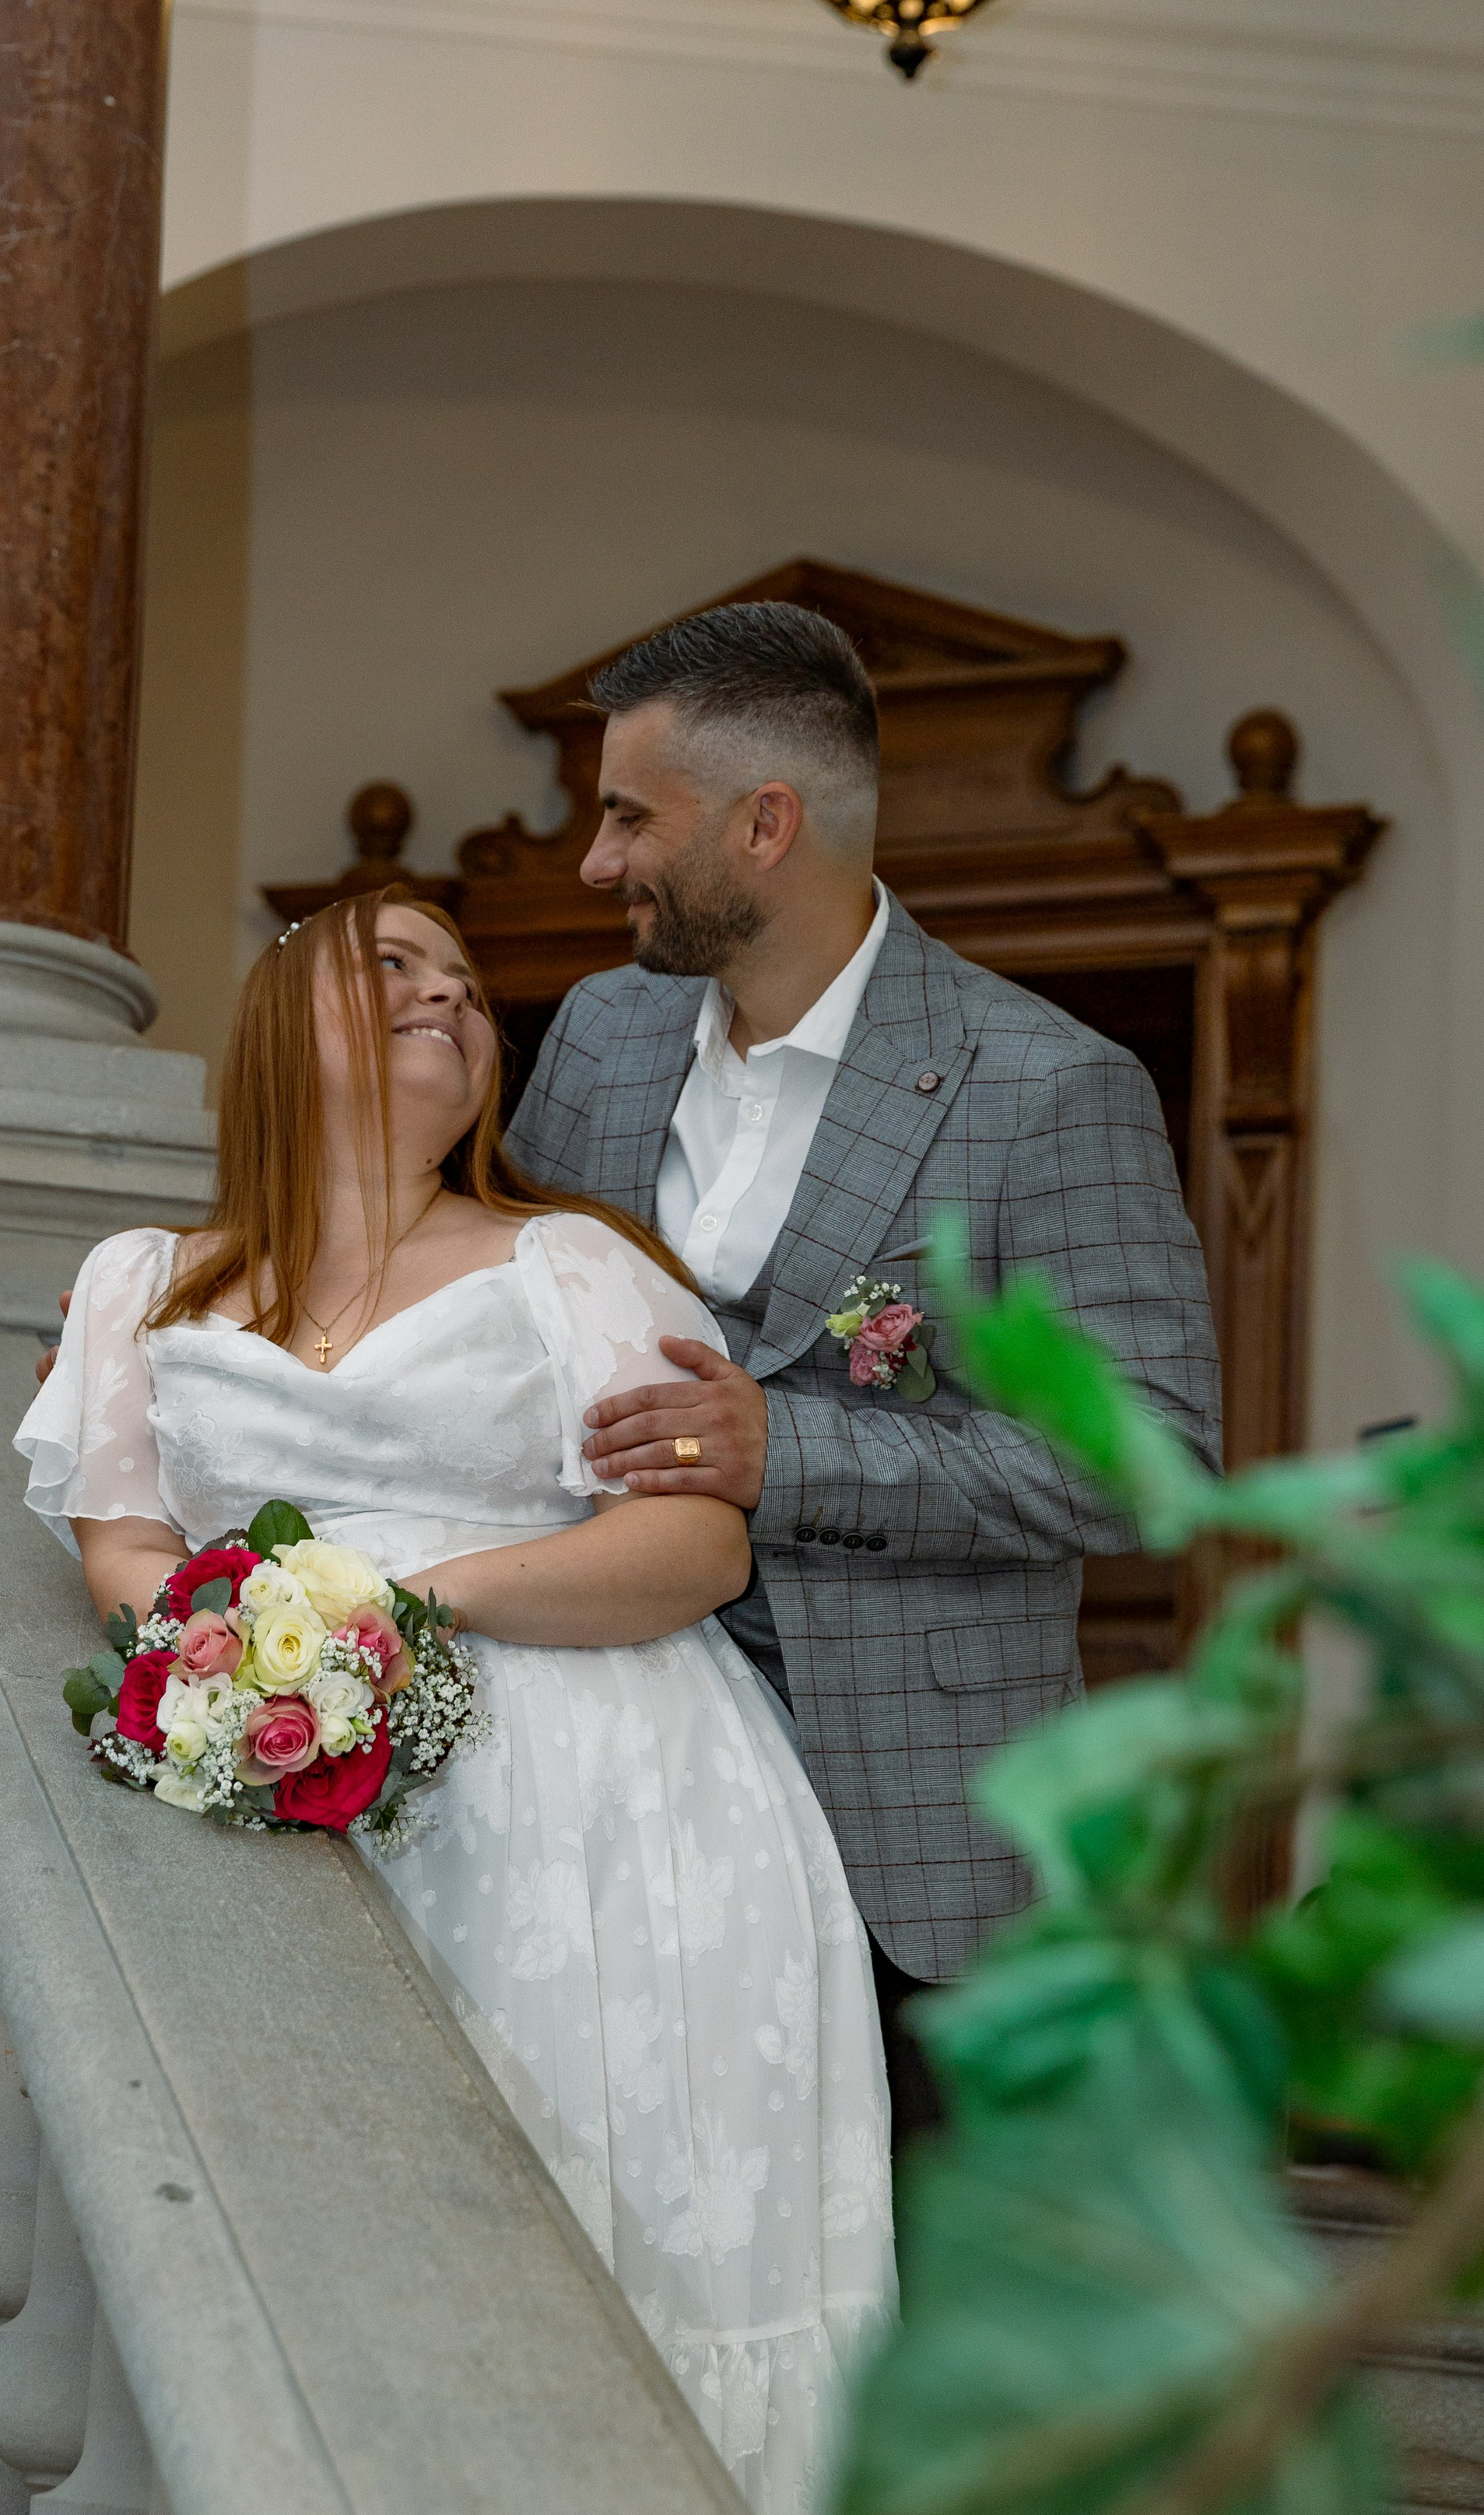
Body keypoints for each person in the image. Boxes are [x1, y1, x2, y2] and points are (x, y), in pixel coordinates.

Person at [15, 893, 893, 2515]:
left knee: (599, 2223)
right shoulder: (143, 1281)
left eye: (470, 986)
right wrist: (220, 1653)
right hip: (292, 1800)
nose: (448, 996)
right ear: (281, 1024)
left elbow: (692, 1544)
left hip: (605, 1805)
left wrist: (397, 1609)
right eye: (393, 966)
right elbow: (128, 1536)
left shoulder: (571, 1267)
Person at [503, 602, 1223, 2131]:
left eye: (629, 816)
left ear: (765, 822)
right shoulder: (595, 1038)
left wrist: (787, 1453)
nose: (595, 861)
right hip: (611, 1797)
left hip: (920, 1860)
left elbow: (1141, 1459)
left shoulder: (1045, 1087)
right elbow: (492, 1317)